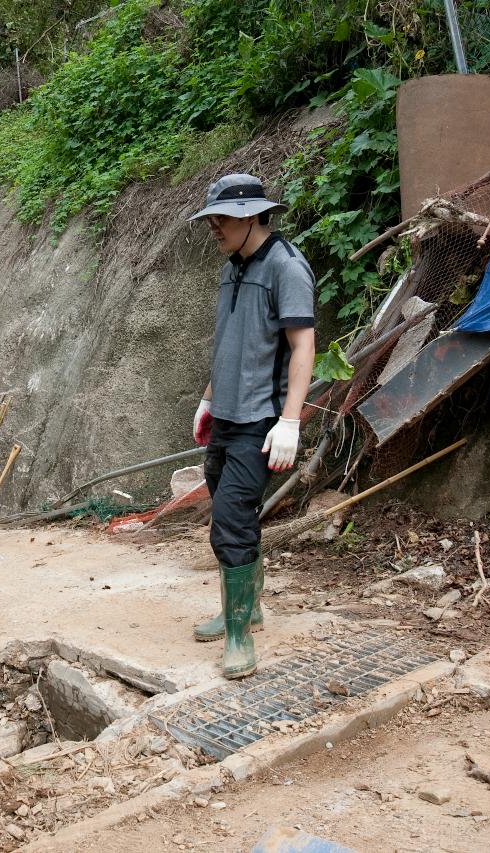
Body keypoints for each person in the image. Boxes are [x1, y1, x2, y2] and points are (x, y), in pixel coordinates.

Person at [187, 174, 316, 679]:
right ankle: (246, 608)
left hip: (261, 420)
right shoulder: (232, 269)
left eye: (219, 219)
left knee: (232, 520)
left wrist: (290, 421)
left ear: (249, 216)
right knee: (229, 510)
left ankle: (240, 637)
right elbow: (227, 343)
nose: (213, 228)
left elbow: (303, 345)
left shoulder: (286, 268)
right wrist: (207, 399)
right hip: (226, 416)